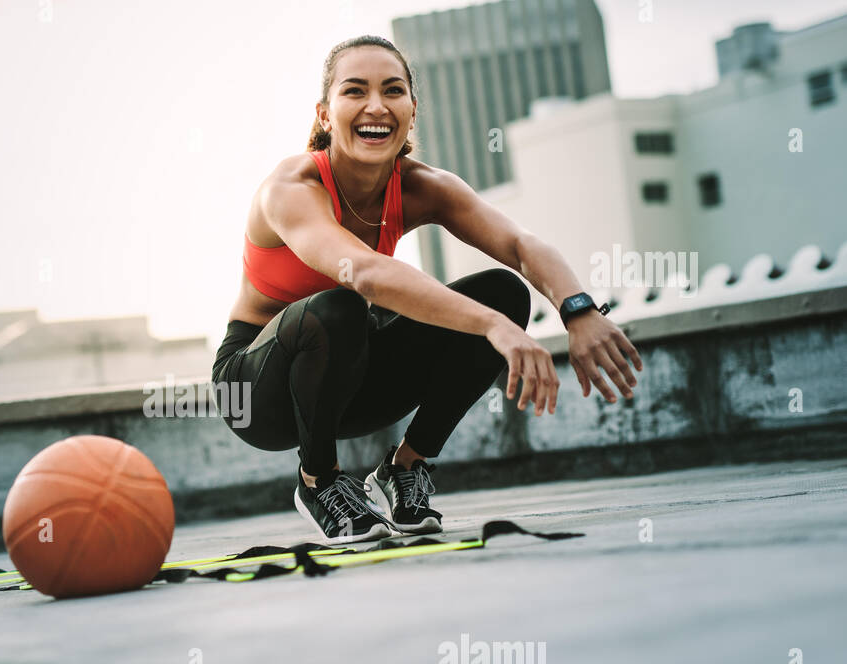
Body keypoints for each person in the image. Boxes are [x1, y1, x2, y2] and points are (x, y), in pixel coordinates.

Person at [212, 35, 643, 545]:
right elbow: (366, 273)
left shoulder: (423, 186)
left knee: (503, 293)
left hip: (352, 378)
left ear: (411, 112)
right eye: (355, 91)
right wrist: (492, 328)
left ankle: (404, 467)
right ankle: (318, 480)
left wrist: (578, 311)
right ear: (326, 114)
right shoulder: (291, 188)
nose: (376, 105)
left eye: (393, 91)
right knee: (340, 307)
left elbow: (521, 245)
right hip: (259, 391)